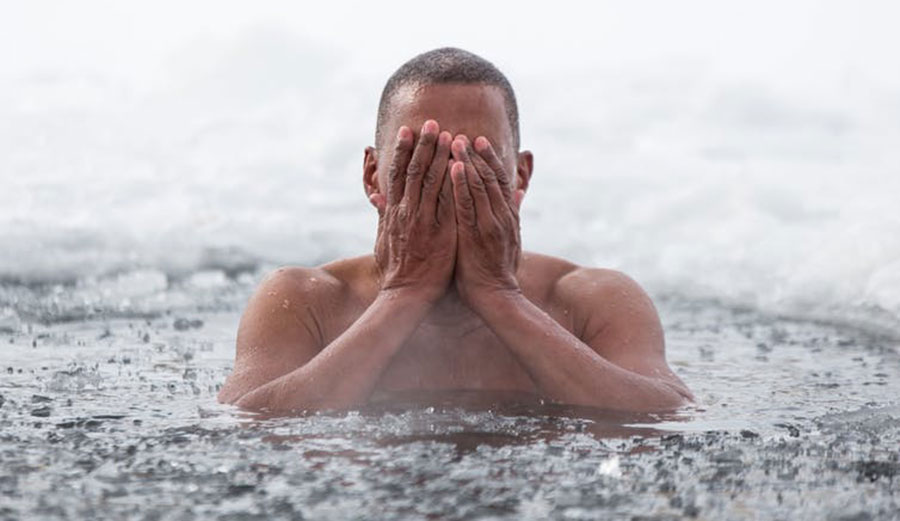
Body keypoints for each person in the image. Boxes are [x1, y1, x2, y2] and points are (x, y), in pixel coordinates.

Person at [218, 47, 693, 413]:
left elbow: (669, 416)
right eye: (422, 159)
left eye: (477, 159)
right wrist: (403, 293)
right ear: (372, 175)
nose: (449, 178)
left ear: (519, 177)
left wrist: (500, 296)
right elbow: (245, 426)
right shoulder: (305, 300)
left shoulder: (591, 299)